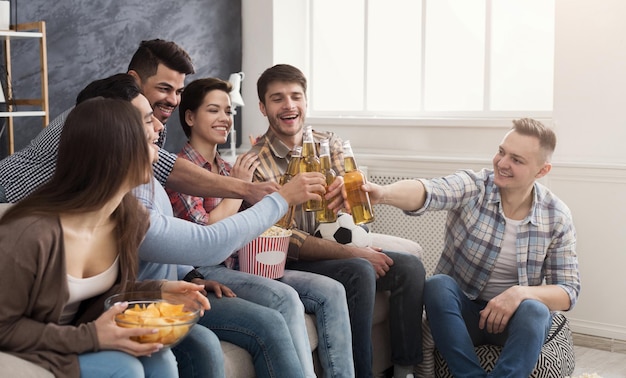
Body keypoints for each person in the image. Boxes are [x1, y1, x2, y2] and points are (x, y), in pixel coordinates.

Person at [74, 73, 316, 378]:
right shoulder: (122, 201)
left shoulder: (146, 178)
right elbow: (206, 241)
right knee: (248, 324)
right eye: (149, 119)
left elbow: (169, 251)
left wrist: (189, 274)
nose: (161, 126)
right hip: (138, 306)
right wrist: (280, 198)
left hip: (172, 287)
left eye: (228, 111)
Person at [0, 98, 210, 378]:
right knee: (125, 369)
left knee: (161, 359)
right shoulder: (30, 234)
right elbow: (5, 327)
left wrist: (155, 291)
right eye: (149, 145)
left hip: (75, 335)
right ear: (116, 154)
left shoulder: (126, 216)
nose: (157, 155)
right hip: (32, 345)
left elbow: (93, 299)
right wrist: (90, 337)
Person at [166, 77, 355, 377]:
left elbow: (256, 227)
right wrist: (241, 188)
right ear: (190, 117)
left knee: (331, 290)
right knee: (286, 298)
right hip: (208, 268)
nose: (225, 119)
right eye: (214, 110)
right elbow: (204, 235)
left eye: (228, 112)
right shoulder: (179, 170)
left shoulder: (229, 168)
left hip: (244, 263)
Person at [362, 118, 581, 377]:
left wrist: (519, 294)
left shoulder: (556, 215)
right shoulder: (475, 187)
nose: (502, 163)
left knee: (535, 308)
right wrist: (383, 193)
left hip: (515, 321)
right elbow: (429, 191)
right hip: (466, 317)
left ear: (542, 171)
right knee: (438, 285)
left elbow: (568, 291)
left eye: (517, 160)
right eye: (501, 152)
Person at [248, 64, 425, 378]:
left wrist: (351, 201)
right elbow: (282, 239)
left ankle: (404, 370)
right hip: (294, 259)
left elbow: (360, 215)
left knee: (409, 267)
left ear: (305, 101)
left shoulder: (329, 145)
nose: (288, 104)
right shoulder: (257, 164)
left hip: (335, 244)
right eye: (277, 99)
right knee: (359, 269)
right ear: (263, 107)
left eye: (295, 96)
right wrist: (353, 253)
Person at [0, 38, 277, 205]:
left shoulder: (152, 123)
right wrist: (247, 189)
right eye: (165, 88)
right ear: (135, 79)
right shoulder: (104, 115)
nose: (173, 100)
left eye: (179, 92)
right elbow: (172, 171)